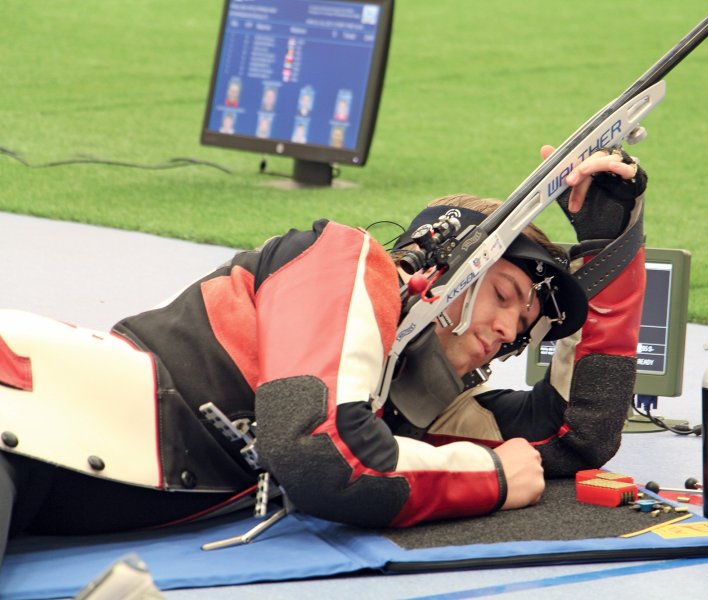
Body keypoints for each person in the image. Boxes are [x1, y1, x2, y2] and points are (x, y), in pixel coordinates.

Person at [0, 146, 647, 565]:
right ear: (448, 262)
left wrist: (609, 246)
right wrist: (493, 479)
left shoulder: (403, 402)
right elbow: (319, 452)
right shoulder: (346, 261)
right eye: (505, 294)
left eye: (524, 326)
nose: (509, 331)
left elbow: (575, 437)